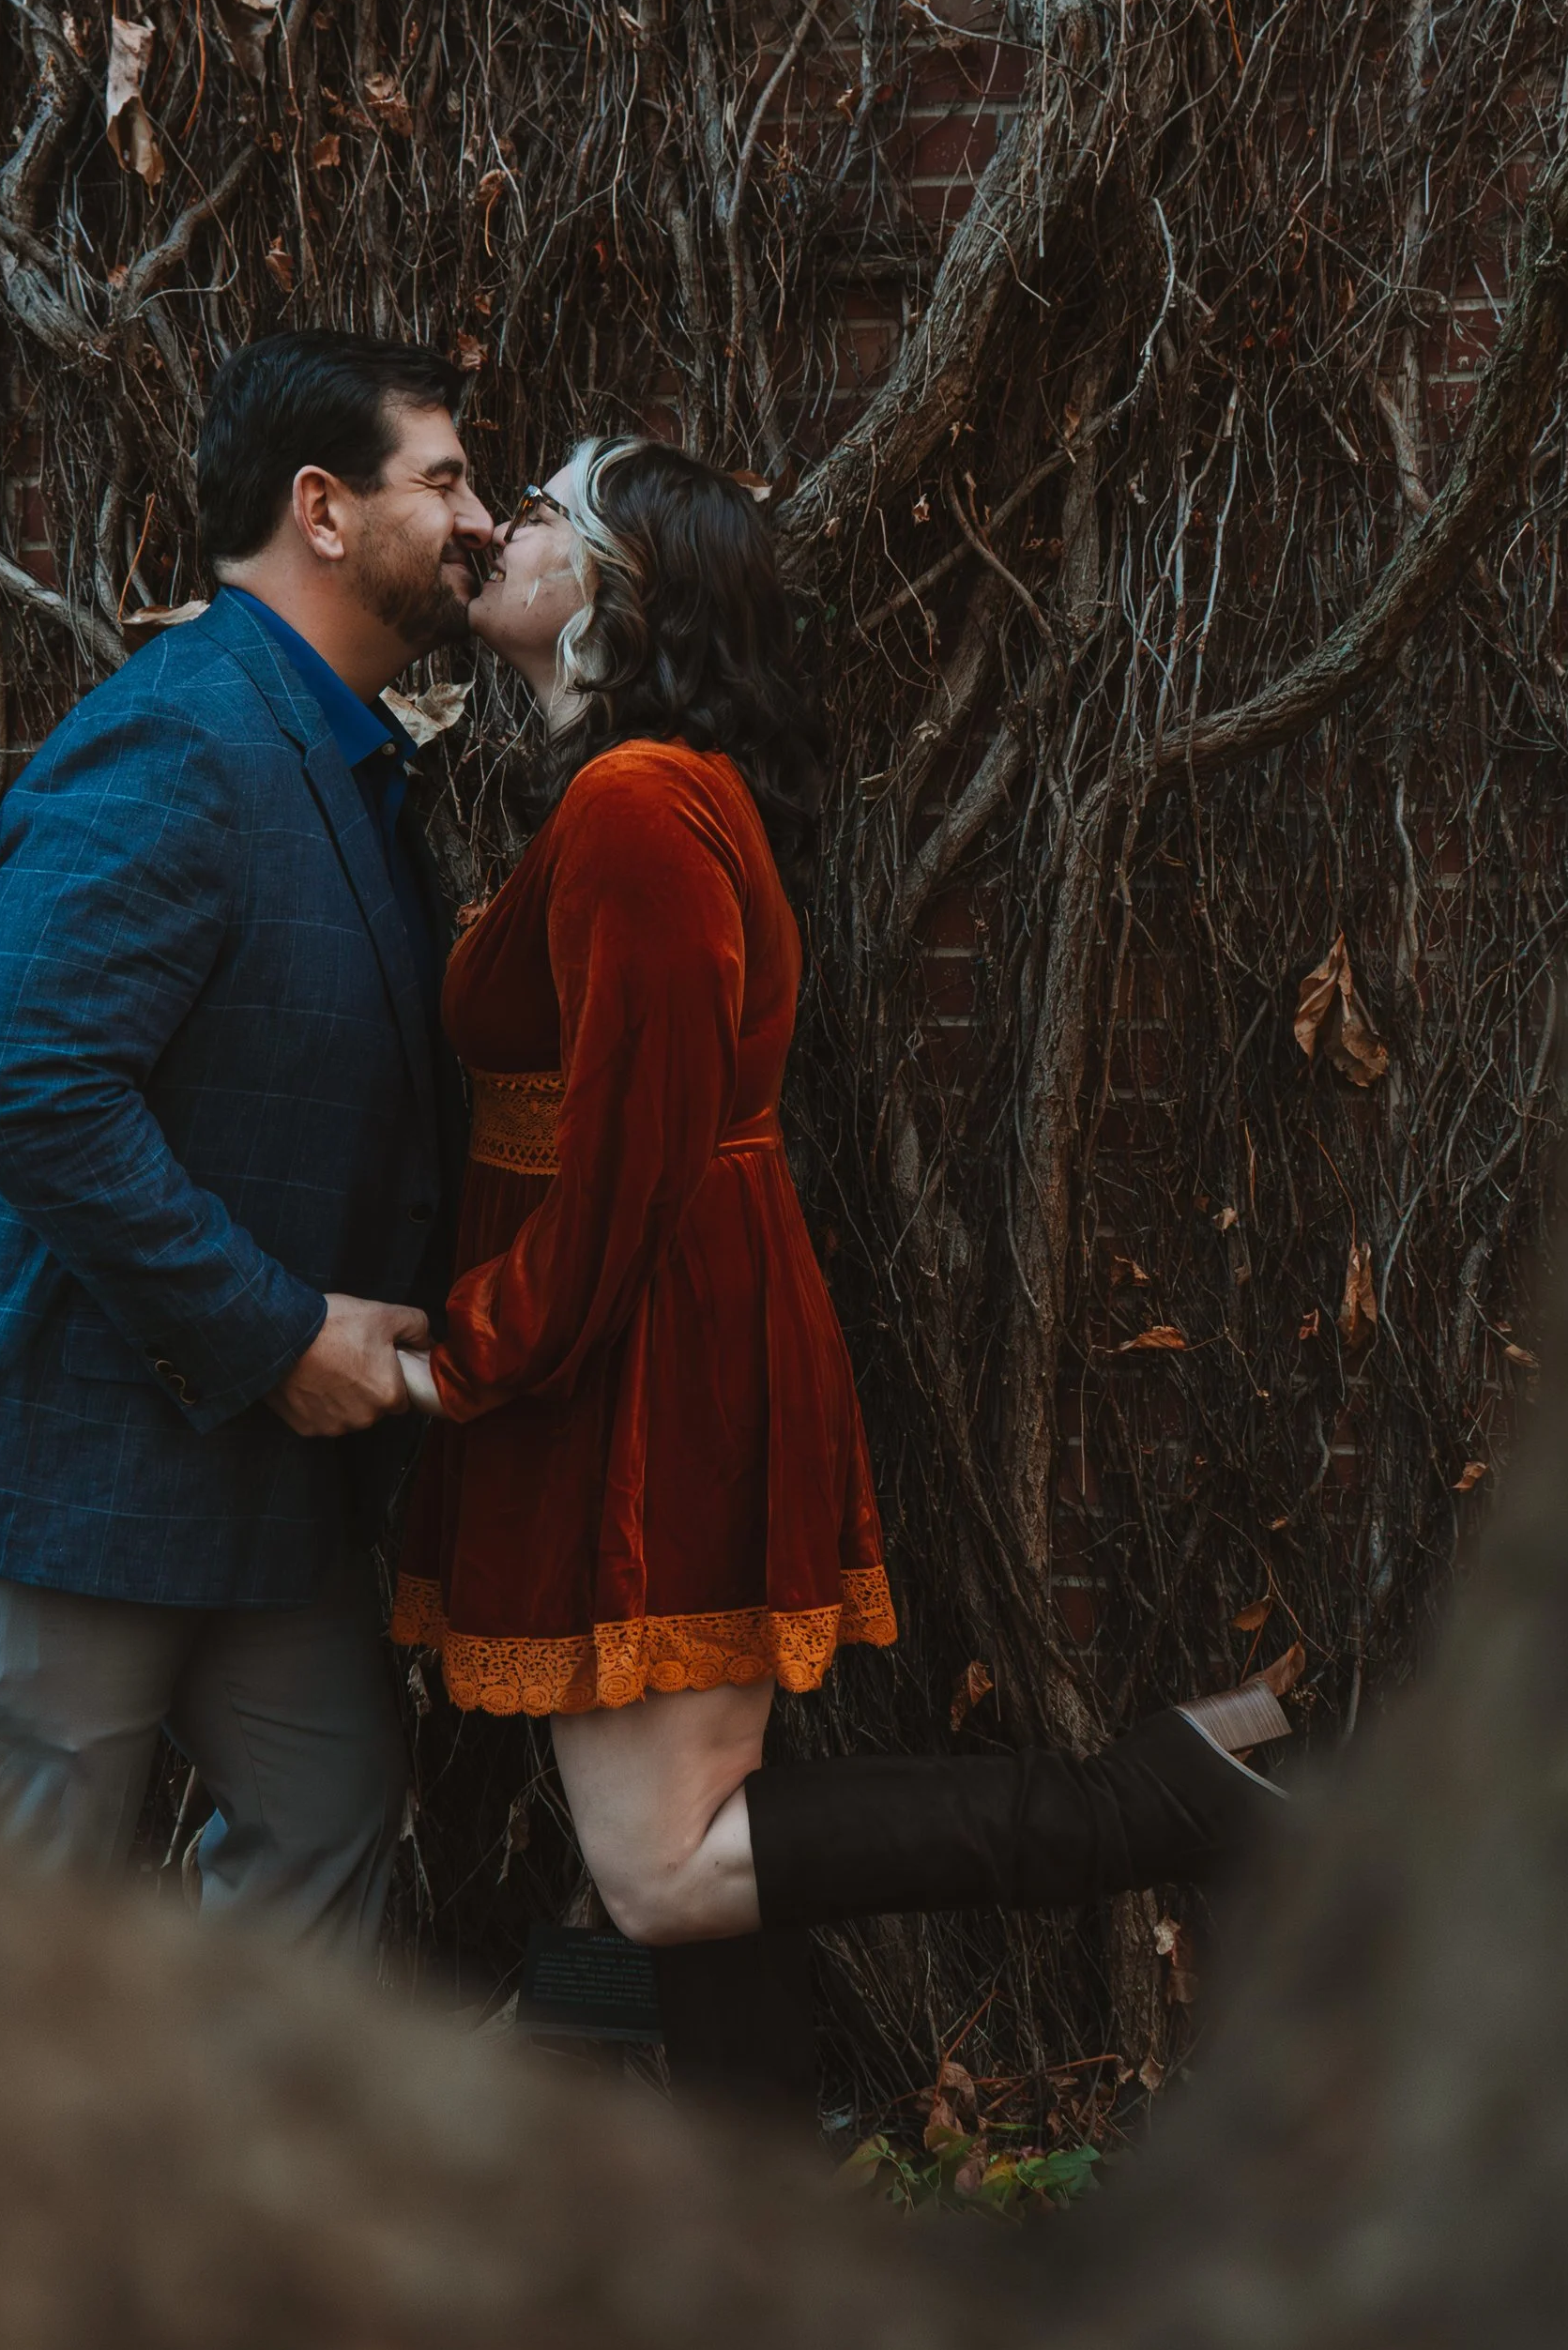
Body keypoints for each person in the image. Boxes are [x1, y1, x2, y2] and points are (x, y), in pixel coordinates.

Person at [390, 438, 1288, 2110]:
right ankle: (766, 2219)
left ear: (617, 591)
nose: (505, 523)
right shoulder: (641, 794)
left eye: (550, 511)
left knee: (663, 1868)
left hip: (639, 1360)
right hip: (656, 1341)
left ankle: (1147, 1802)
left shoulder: (639, 807)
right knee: (708, 1847)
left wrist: (469, 1350)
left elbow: (629, 1161)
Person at [0, 329, 493, 1955]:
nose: (482, 520)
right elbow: (28, 1082)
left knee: (326, 1811)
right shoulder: (182, 741)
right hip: (60, 1450)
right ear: (322, 508)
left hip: (251, 1475)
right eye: (449, 480)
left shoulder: (338, 747)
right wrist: (278, 1335)